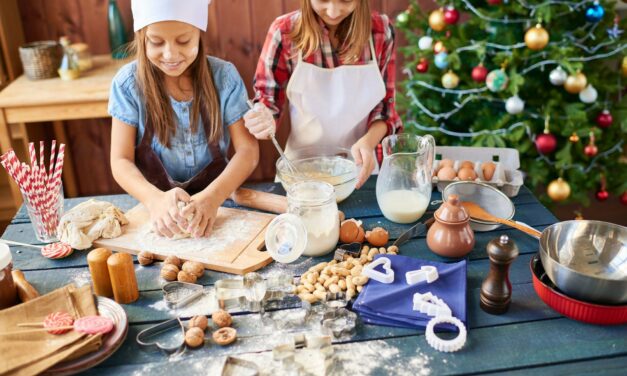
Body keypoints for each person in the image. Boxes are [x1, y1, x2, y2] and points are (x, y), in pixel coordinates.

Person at [109, 0, 258, 239]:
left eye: (183, 41)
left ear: (199, 33)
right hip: (154, 212)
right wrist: (154, 199)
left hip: (219, 206)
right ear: (142, 37)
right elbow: (120, 161)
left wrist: (213, 197)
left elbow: (248, 150)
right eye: (156, 42)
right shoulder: (127, 84)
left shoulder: (224, 77)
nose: (170, 54)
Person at [244, 0, 402, 188]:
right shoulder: (284, 32)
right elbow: (268, 101)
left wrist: (368, 143)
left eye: (346, 0)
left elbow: (384, 108)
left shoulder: (381, 31)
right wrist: (263, 118)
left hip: (361, 166)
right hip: (301, 169)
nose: (333, 11)